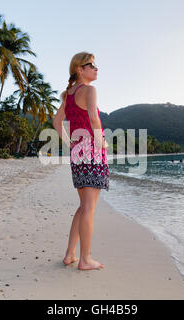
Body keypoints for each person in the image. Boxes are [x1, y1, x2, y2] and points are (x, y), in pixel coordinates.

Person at [52, 52, 109, 271]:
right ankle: (85, 259)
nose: (96, 69)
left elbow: (57, 123)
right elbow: (94, 118)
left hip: (78, 151)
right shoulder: (89, 90)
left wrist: (70, 143)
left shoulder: (68, 94)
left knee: (83, 206)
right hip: (92, 150)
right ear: (80, 69)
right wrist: (101, 141)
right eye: (92, 65)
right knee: (88, 208)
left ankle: (70, 254)